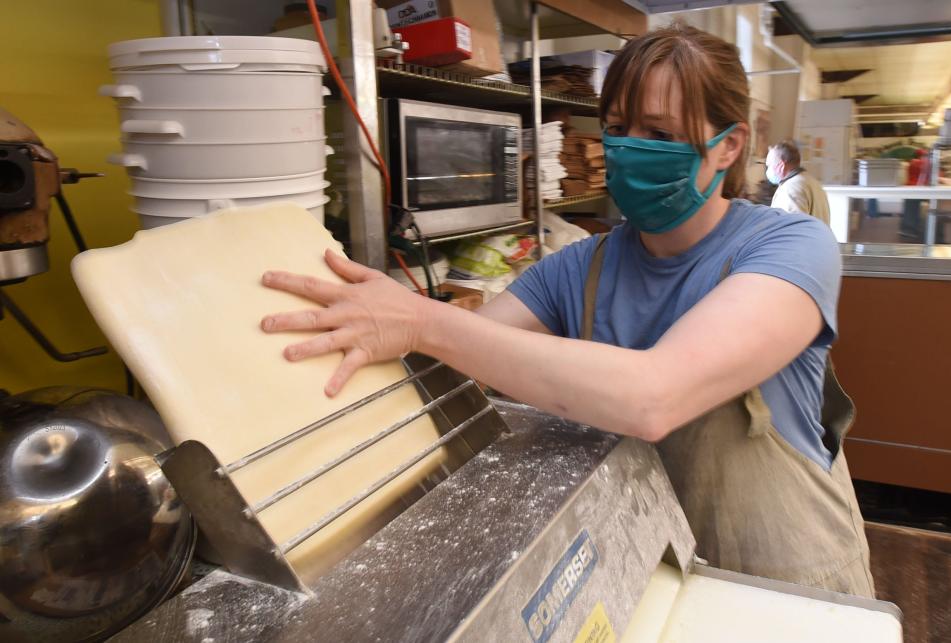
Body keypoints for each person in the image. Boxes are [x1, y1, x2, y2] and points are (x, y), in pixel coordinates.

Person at [259, 22, 875, 597]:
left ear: (727, 145)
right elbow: (455, 364)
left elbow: (653, 397)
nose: (631, 151)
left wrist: (420, 319)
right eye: (617, 128)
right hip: (651, 573)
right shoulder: (582, 267)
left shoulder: (790, 248)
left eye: (659, 135)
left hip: (786, 591)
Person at [766, 139, 831, 225]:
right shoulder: (814, 183)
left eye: (769, 165)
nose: (767, 170)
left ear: (781, 166)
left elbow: (791, 230)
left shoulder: (790, 189)